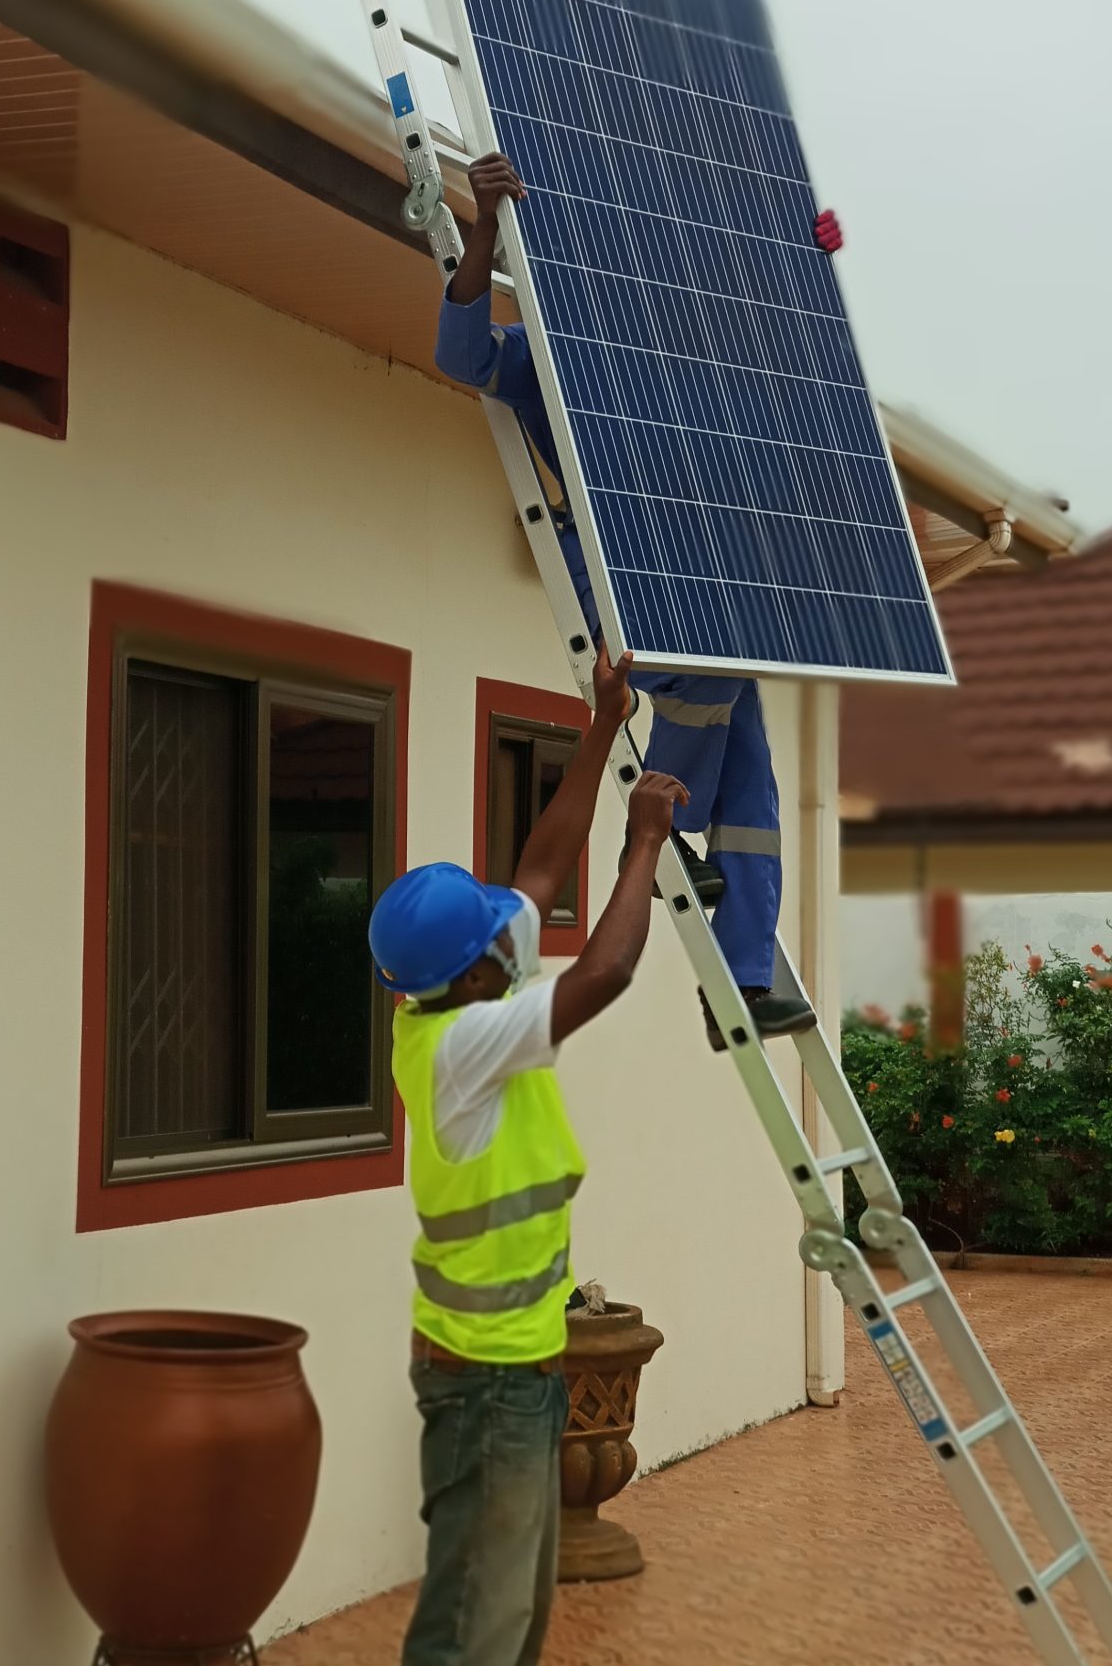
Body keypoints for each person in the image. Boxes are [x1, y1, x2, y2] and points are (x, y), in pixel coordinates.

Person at [436, 151, 834, 1051]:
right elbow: (461, 352)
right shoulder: (553, 350)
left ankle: (742, 979)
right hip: (612, 585)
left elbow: (781, 352)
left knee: (751, 761)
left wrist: (804, 263)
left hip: (703, 581)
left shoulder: (709, 369)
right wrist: (484, 226)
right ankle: (663, 830)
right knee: (714, 675)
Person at [370, 645, 688, 1666]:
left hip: (518, 1366)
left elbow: (541, 868)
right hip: (485, 1383)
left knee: (509, 1615)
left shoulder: (455, 986)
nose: (516, 928)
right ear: (470, 976)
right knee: (478, 1622)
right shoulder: (464, 1044)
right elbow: (605, 971)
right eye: (494, 935)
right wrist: (646, 844)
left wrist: (603, 725)